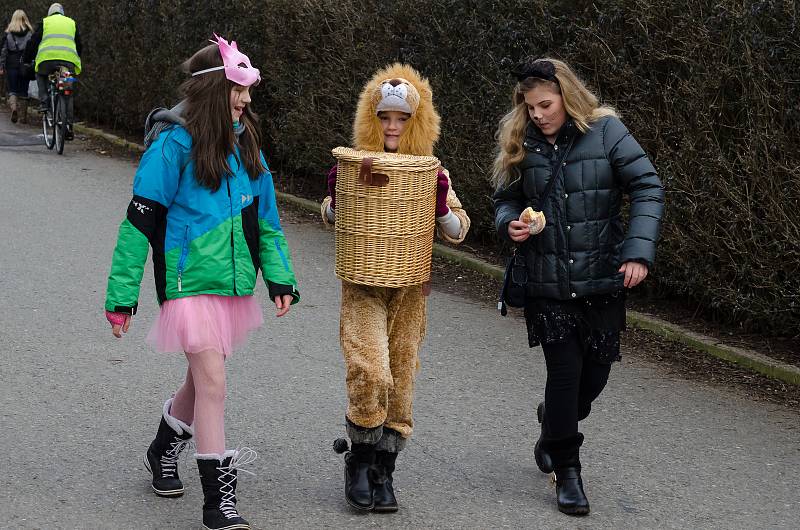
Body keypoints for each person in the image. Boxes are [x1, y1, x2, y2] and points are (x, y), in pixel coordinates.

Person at [104, 35, 299, 530]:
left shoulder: (246, 143)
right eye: (238, 90)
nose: (247, 100)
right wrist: (122, 297)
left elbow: (268, 220)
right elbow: (138, 223)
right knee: (214, 381)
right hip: (187, 285)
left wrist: (278, 276)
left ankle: (162, 448)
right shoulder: (172, 144)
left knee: (199, 379)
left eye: (249, 91)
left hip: (231, 287)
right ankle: (219, 505)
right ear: (213, 89)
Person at [492, 57, 665, 516]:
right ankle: (567, 470)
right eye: (530, 108)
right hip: (547, 282)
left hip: (601, 278)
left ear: (567, 96)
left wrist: (637, 251)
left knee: (594, 376)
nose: (538, 115)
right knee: (565, 373)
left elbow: (647, 185)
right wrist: (510, 222)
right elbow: (506, 200)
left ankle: (553, 423)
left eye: (545, 105)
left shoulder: (607, 133)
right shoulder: (520, 142)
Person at [321, 63, 471, 512]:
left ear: (417, 122)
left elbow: (459, 229)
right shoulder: (356, 163)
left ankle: (384, 467)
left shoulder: (430, 171)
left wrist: (441, 204)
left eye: (401, 118)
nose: (392, 126)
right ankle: (359, 457)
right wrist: (338, 201)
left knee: (402, 376)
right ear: (371, 119)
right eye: (384, 117)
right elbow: (329, 214)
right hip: (363, 281)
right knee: (370, 367)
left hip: (410, 287)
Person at [23, 3, 81, 138]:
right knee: (68, 92)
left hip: (46, 61)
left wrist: (26, 59)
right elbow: (79, 44)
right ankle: (68, 125)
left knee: (40, 74)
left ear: (50, 13)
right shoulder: (71, 23)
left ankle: (44, 102)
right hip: (68, 62)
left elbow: (33, 42)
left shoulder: (45, 22)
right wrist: (76, 58)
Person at [0, 9, 33, 124]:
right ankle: (23, 117)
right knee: (23, 91)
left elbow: (3, 51)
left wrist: (1, 66)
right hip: (25, 64)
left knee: (13, 90)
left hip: (11, 64)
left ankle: (14, 109)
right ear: (25, 19)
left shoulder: (8, 34)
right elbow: (32, 50)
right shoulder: (29, 34)